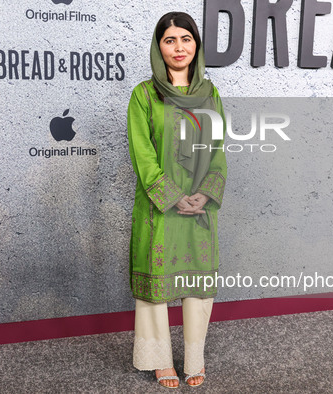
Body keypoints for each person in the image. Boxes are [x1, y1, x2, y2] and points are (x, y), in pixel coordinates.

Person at [127, 11, 227, 389]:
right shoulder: (144, 95)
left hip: (200, 206)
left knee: (197, 284)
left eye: (186, 38)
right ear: (159, 47)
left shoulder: (210, 93)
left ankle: (194, 359)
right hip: (160, 208)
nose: (179, 47)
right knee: (155, 287)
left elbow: (218, 149)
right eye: (169, 40)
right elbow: (142, 154)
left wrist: (206, 192)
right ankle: (159, 359)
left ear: (196, 44)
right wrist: (172, 197)